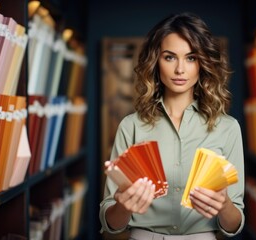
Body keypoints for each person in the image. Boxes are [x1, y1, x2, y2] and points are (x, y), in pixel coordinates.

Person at [99, 12, 245, 240]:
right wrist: (124, 206)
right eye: (169, 57)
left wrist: (224, 205)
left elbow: (235, 224)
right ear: (156, 61)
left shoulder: (228, 128)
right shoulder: (131, 126)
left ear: (203, 63)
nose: (180, 69)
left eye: (191, 58)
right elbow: (111, 223)